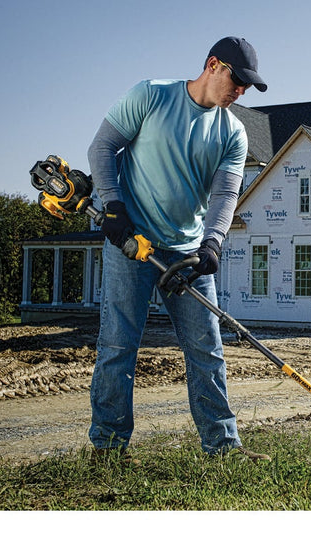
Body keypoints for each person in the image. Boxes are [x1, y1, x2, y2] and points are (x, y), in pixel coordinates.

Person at [86, 36, 271, 463]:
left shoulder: (233, 132)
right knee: (118, 345)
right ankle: (109, 450)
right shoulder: (151, 95)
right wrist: (113, 205)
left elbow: (226, 194)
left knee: (207, 348)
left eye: (247, 86)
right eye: (237, 80)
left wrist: (213, 243)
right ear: (212, 65)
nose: (240, 91)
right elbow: (102, 147)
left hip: (188, 254)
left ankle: (223, 448)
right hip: (133, 244)